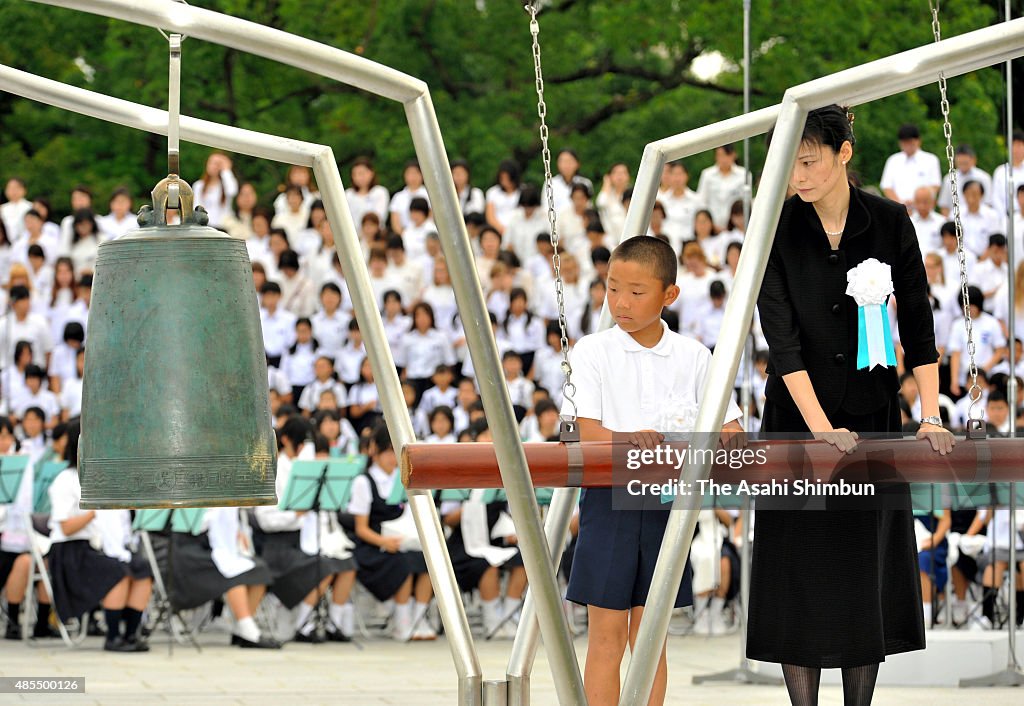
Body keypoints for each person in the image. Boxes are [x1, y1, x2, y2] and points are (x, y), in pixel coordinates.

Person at [749, 104, 955, 706]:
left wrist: (932, 414)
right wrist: (820, 429)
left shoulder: (889, 221)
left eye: (809, 162)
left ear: (844, 154)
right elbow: (780, 337)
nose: (799, 177)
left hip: (871, 418)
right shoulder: (776, 225)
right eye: (791, 166)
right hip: (796, 422)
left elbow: (917, 322)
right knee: (797, 579)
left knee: (863, 572)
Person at [564, 234, 743, 705]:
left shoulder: (695, 356)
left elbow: (731, 428)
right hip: (609, 499)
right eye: (612, 287)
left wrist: (723, 433)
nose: (620, 302)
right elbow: (588, 433)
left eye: (636, 292)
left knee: (650, 638)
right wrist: (632, 440)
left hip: (669, 506)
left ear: (669, 295)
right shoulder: (592, 351)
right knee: (606, 634)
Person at [880, 123, 942, 209]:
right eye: (904, 142)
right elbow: (886, 187)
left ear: (918, 141)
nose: (907, 145)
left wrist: (917, 202)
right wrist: (901, 205)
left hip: (923, 210)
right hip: (898, 210)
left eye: (910, 142)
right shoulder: (893, 160)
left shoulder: (931, 160)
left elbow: (935, 186)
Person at [192, 152, 238, 229]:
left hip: (223, 227)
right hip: (204, 227)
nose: (213, 166)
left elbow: (232, 191)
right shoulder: (199, 185)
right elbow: (196, 207)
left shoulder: (225, 185)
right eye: (211, 162)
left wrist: (226, 170)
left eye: (217, 164)